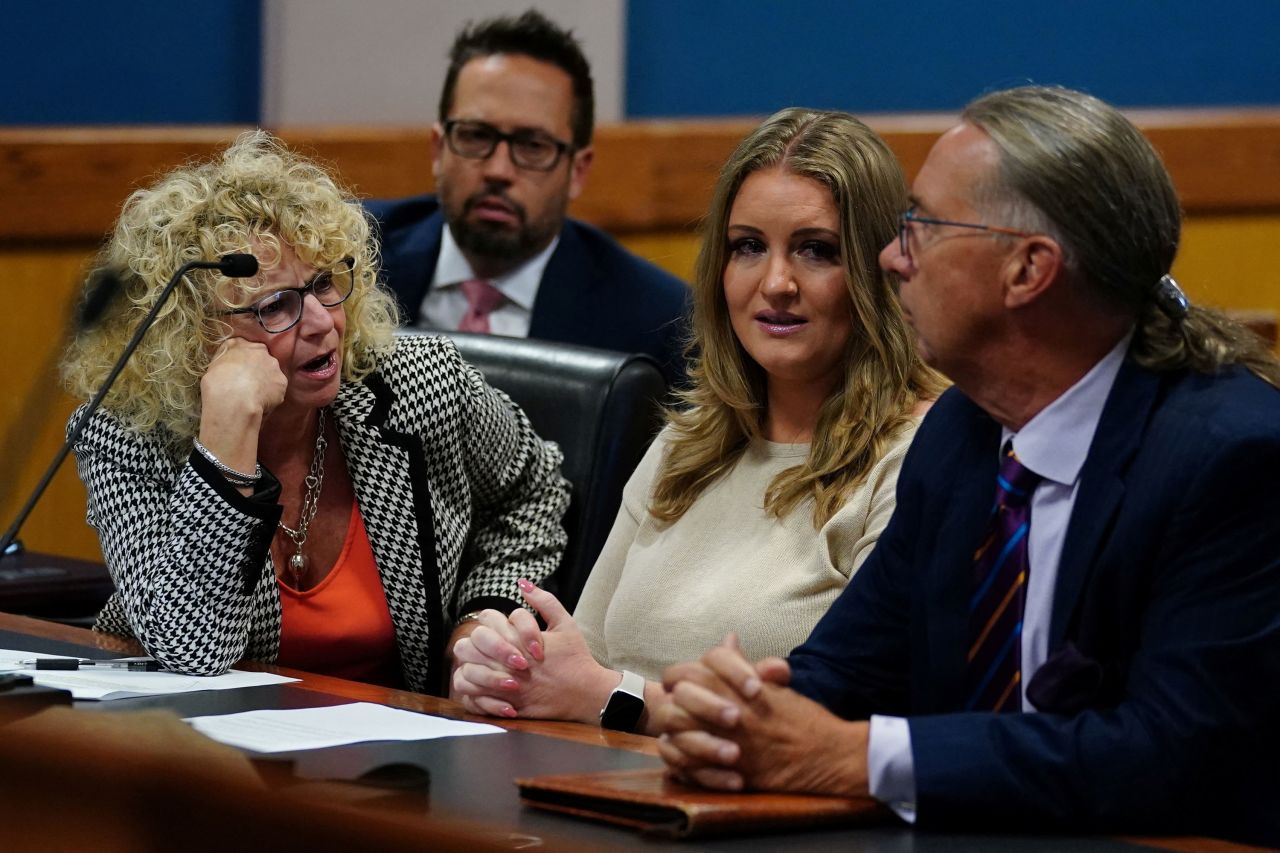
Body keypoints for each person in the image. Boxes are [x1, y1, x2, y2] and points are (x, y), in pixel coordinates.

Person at [655, 86, 1280, 847]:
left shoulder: (1231, 458)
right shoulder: (961, 433)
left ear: (1027, 270)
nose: (890, 258)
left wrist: (860, 756)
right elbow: (845, 670)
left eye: (919, 226)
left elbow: (1169, 755)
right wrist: (732, 712)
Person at [448, 108, 945, 734]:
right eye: (749, 247)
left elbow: (858, 717)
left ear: (879, 270)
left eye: (816, 251)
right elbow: (588, 658)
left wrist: (612, 699)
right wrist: (511, 668)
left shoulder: (921, 453)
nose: (777, 283)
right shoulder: (688, 439)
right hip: (598, 786)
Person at [61, 131, 570, 695]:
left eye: (324, 284)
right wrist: (226, 438)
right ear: (190, 338)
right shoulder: (127, 435)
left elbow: (535, 490)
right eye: (275, 306)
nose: (323, 323)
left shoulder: (415, 384)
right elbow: (193, 648)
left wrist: (483, 615)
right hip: (207, 753)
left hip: (406, 755)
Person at [366, 9, 690, 384]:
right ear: (439, 149)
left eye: (533, 146)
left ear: (578, 171)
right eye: (476, 136)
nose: (498, 171)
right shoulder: (348, 260)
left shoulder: (657, 322)